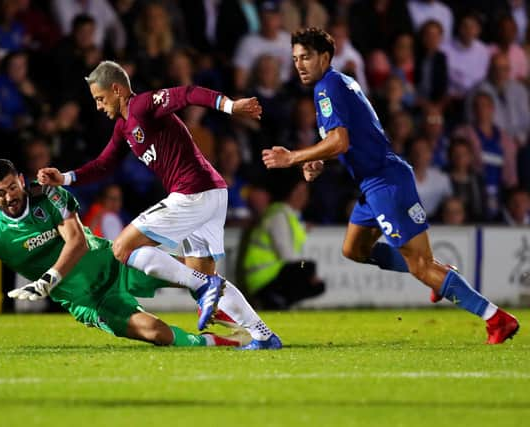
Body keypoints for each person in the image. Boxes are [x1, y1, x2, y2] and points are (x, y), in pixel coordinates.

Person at [262, 27, 519, 344]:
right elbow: (345, 138)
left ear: (325, 57)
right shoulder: (336, 84)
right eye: (296, 59)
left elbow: (339, 141)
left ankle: (495, 318)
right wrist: (316, 160)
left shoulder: (327, 87)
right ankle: (441, 274)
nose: (300, 64)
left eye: (306, 57)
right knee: (354, 249)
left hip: (384, 181)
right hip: (373, 183)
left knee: (420, 266)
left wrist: (294, 157)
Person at [37, 60, 281, 349]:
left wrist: (230, 106)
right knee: (203, 276)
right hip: (212, 193)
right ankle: (263, 335)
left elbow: (188, 93)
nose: (99, 106)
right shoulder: (122, 128)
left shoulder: (142, 105)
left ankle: (206, 287)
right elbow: (104, 165)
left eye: (100, 99)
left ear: (117, 89)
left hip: (194, 192)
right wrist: (64, 177)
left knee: (123, 247)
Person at [0, 159, 254, 349]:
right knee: (156, 334)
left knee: (196, 276)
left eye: (13, 186)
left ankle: (253, 327)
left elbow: (76, 241)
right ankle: (218, 340)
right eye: (0, 192)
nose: (10, 196)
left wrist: (49, 279)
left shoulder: (48, 194)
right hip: (88, 301)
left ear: (21, 179)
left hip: (113, 262)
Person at [242, 169, 325, 309]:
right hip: (262, 278)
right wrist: (307, 271)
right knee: (306, 267)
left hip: (269, 275)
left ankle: (281, 301)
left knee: (308, 271)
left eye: (304, 192)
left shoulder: (289, 215)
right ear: (289, 191)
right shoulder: (278, 215)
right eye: (298, 191)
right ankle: (274, 299)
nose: (302, 196)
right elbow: (287, 255)